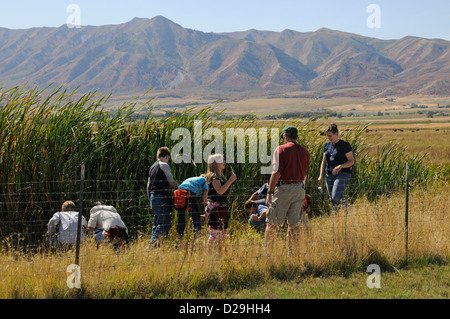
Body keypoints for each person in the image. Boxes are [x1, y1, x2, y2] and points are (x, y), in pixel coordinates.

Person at [265, 126, 310, 256]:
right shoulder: (305, 152)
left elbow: (275, 173)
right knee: (294, 224)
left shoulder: (281, 150)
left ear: (285, 136)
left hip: (284, 188)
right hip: (299, 189)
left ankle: (268, 253)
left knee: (271, 222)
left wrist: (270, 192)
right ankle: (292, 253)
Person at [147, 146, 179, 247]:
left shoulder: (152, 167)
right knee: (165, 223)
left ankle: (154, 245)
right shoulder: (164, 165)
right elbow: (171, 181)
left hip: (153, 197)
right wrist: (182, 187)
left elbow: (148, 185)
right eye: (168, 159)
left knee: (157, 223)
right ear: (166, 157)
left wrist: (151, 201)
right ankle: (153, 246)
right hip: (161, 197)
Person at [318, 123, 355, 211]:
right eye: (327, 136)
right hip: (329, 175)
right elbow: (324, 161)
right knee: (332, 199)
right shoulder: (327, 146)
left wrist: (340, 166)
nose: (329, 138)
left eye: (330, 135)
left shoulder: (345, 145)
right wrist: (321, 175)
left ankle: (350, 210)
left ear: (336, 133)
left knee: (336, 196)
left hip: (343, 174)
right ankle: (337, 219)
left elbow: (351, 161)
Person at [203, 154, 237, 247]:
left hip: (221, 206)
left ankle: (220, 253)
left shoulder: (221, 176)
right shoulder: (214, 177)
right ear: (215, 164)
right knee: (214, 234)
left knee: (223, 233)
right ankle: (209, 254)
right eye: (222, 160)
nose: (224, 162)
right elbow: (220, 191)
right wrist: (230, 181)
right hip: (214, 207)